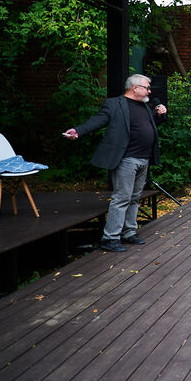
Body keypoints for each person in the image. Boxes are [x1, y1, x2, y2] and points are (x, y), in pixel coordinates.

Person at [64, 74, 168, 252]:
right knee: (122, 198)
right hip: (126, 158)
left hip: (144, 158)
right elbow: (99, 120)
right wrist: (78, 131)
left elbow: (148, 126)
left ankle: (129, 232)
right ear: (134, 88)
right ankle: (110, 238)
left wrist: (159, 115)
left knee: (135, 197)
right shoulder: (115, 104)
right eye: (146, 87)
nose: (149, 91)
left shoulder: (145, 105)